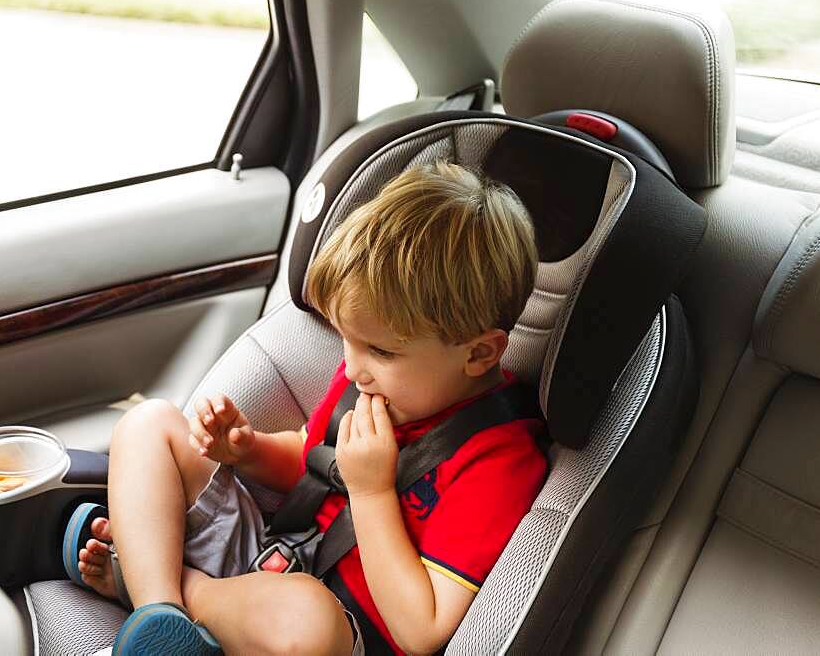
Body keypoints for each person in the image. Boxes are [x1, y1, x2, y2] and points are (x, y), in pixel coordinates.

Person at [68, 161, 547, 655]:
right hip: (267, 559)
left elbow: (422, 631)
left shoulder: (498, 462)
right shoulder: (367, 382)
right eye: (346, 340)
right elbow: (313, 459)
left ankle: (156, 581)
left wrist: (372, 492)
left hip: (339, 631)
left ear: (479, 353)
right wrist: (247, 451)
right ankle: (158, 612)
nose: (353, 367)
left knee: (307, 621)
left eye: (381, 352)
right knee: (149, 423)